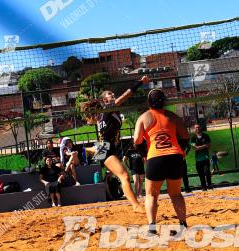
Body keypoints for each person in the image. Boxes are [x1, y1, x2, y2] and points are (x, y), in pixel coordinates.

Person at [81, 75, 149, 214]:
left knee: (120, 174)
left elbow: (93, 121)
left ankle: (91, 149)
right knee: (124, 176)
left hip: (107, 148)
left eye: (112, 94)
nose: (113, 95)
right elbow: (125, 96)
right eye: (110, 94)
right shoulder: (108, 108)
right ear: (104, 100)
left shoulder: (105, 113)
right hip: (106, 150)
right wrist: (140, 82)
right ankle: (136, 205)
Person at [134, 89, 190, 234]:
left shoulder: (144, 117)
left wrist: (144, 154)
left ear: (148, 102)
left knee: (151, 195)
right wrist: (181, 150)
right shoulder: (172, 116)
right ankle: (183, 225)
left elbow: (136, 140)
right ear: (164, 100)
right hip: (175, 156)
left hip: (155, 157)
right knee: (176, 194)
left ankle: (152, 228)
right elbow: (185, 136)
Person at [192, 123, 213, 190]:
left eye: (198, 127)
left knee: (207, 172)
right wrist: (204, 146)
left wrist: (199, 147)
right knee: (201, 174)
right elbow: (195, 148)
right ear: (194, 129)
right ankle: (203, 187)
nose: (197, 129)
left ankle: (209, 185)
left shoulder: (206, 136)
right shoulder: (193, 137)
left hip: (205, 157)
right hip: (198, 159)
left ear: (200, 128)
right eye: (196, 128)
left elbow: (209, 146)